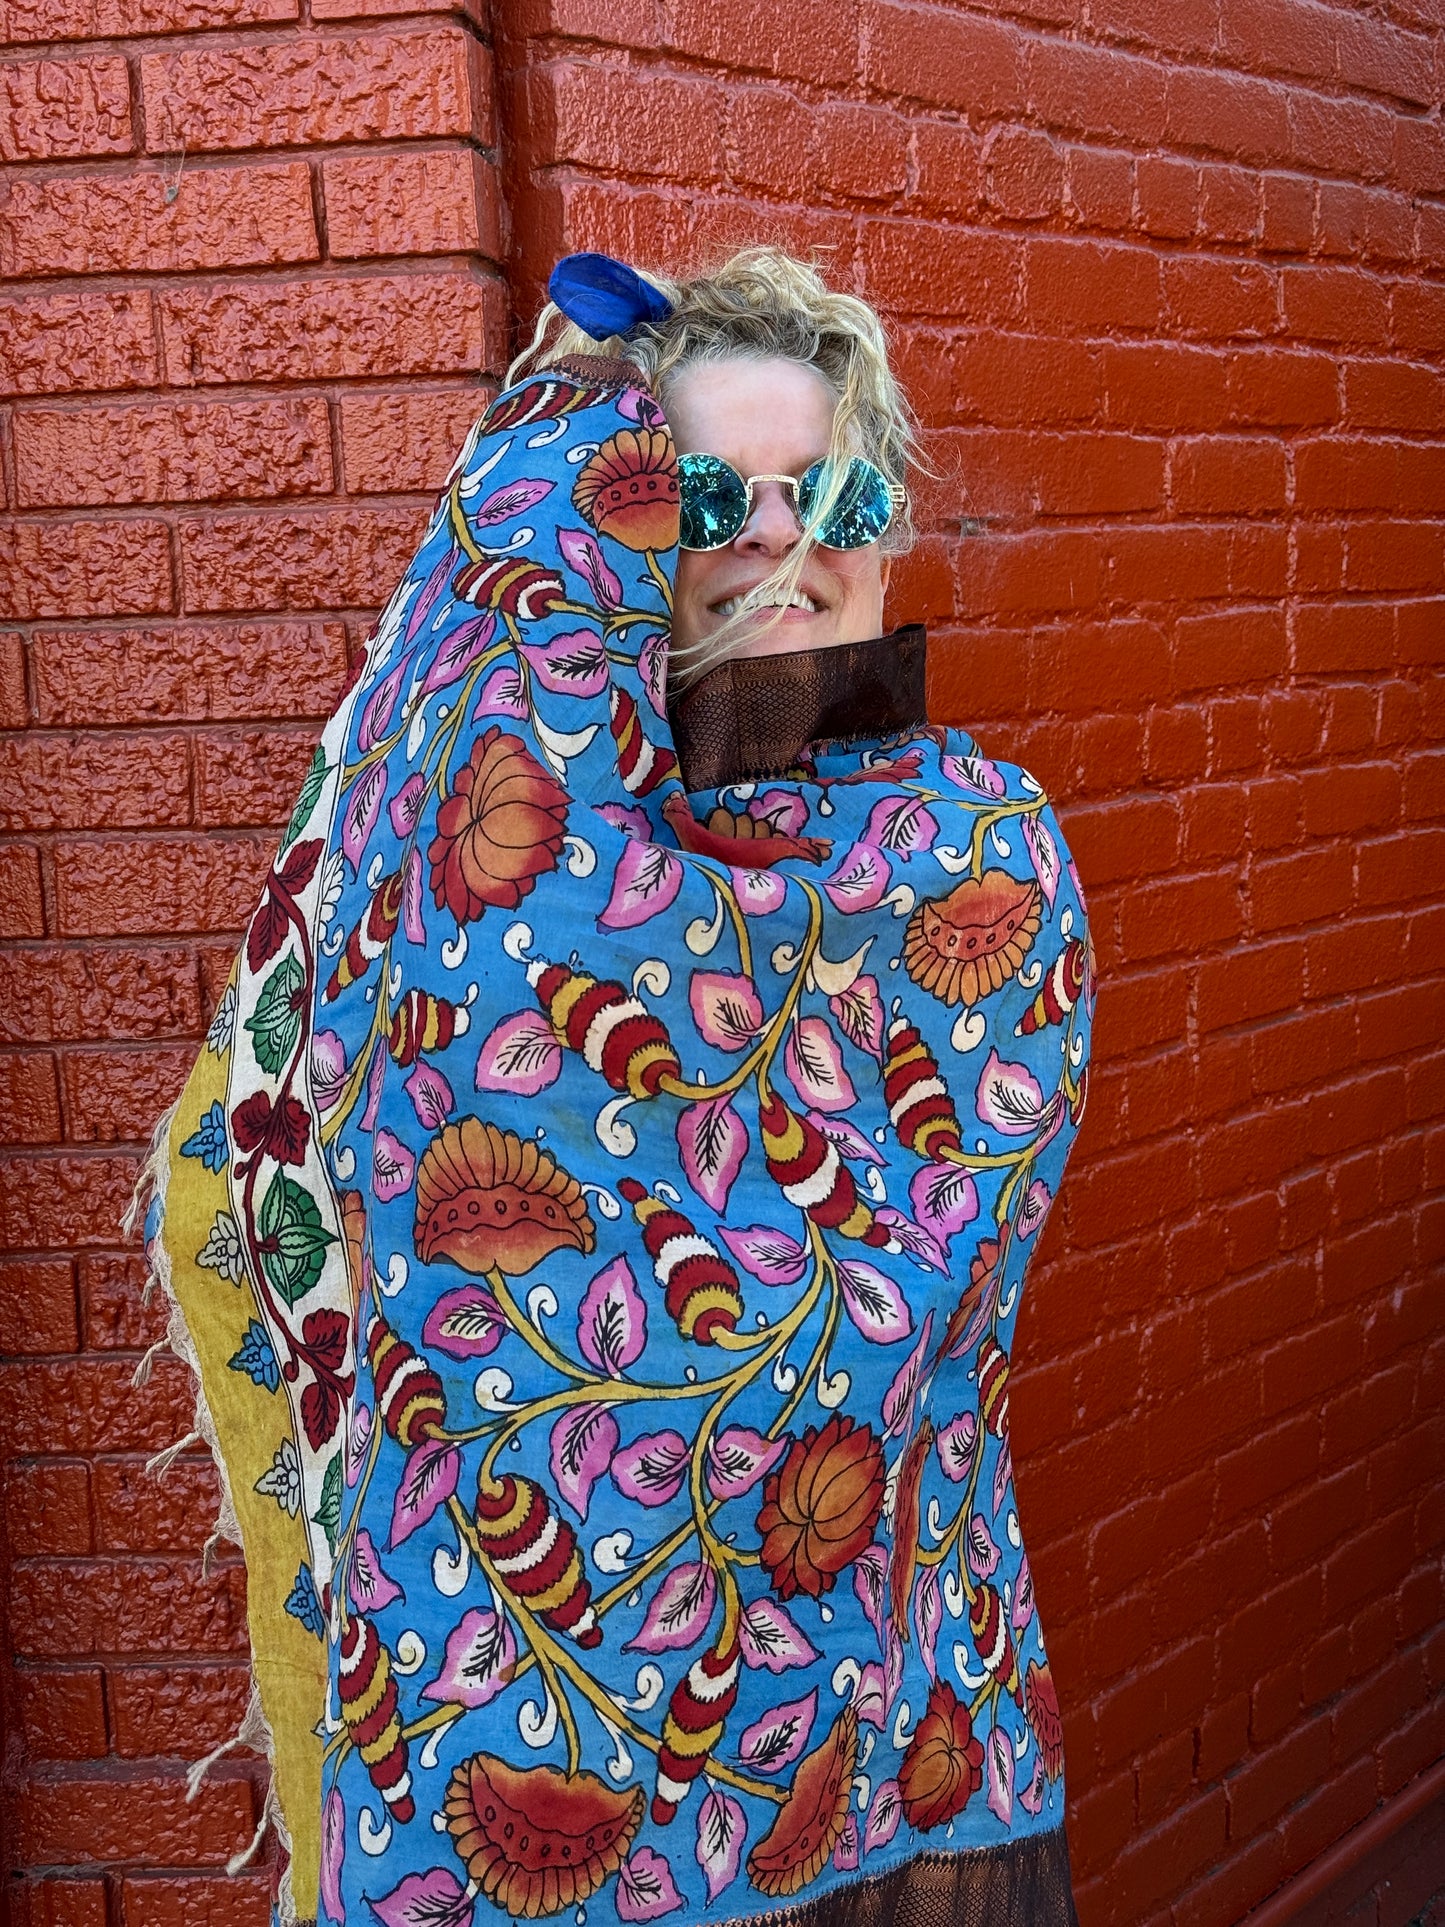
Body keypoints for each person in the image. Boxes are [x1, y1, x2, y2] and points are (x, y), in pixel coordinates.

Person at [138, 244, 1094, 1927]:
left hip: (901, 1760)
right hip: (530, 1779)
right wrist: (572, 421)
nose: (776, 536)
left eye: (832, 490)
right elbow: (502, 782)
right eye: (706, 491)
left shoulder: (970, 849)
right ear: (609, 531)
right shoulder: (492, 854)